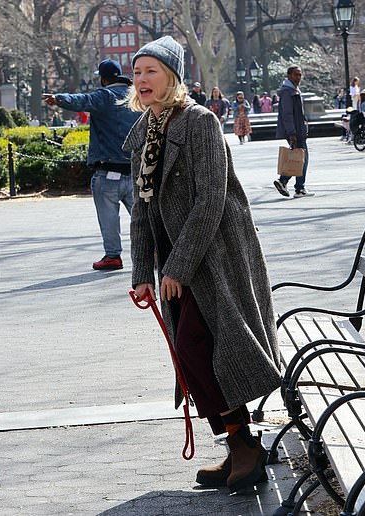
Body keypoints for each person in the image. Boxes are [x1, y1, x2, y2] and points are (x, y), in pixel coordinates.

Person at [126, 36, 281, 494]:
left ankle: (244, 443)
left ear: (172, 76)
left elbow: (212, 198)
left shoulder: (200, 122)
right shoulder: (144, 132)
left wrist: (179, 266)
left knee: (200, 345)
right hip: (173, 258)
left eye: (151, 71)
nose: (141, 79)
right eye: (137, 72)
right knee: (191, 354)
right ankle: (239, 443)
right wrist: (142, 273)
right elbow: (140, 208)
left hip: (215, 255)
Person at [43, 59, 140, 270]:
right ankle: (155, 252)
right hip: (135, 171)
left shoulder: (105, 95)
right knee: (143, 219)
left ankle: (113, 256)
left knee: (109, 218)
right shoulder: (137, 96)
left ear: (104, 79)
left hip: (108, 171)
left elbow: (82, 100)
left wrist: (57, 99)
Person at [273, 65, 314, 198]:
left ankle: (286, 182)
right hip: (295, 131)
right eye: (296, 74)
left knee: (299, 157)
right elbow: (287, 114)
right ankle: (296, 186)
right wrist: (292, 133)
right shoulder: (287, 92)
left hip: (298, 129)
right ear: (289, 76)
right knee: (302, 158)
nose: (299, 77)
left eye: (300, 74)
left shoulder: (294, 90)